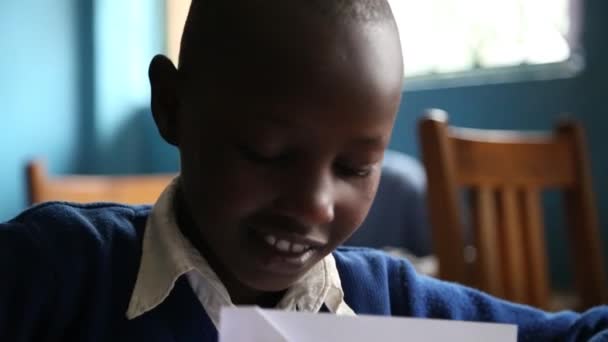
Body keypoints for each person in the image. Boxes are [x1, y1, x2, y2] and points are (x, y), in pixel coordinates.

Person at [0, 0, 606, 341]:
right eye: (267, 152)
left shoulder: (388, 309)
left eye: (355, 166)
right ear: (172, 108)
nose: (316, 204)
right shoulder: (52, 272)